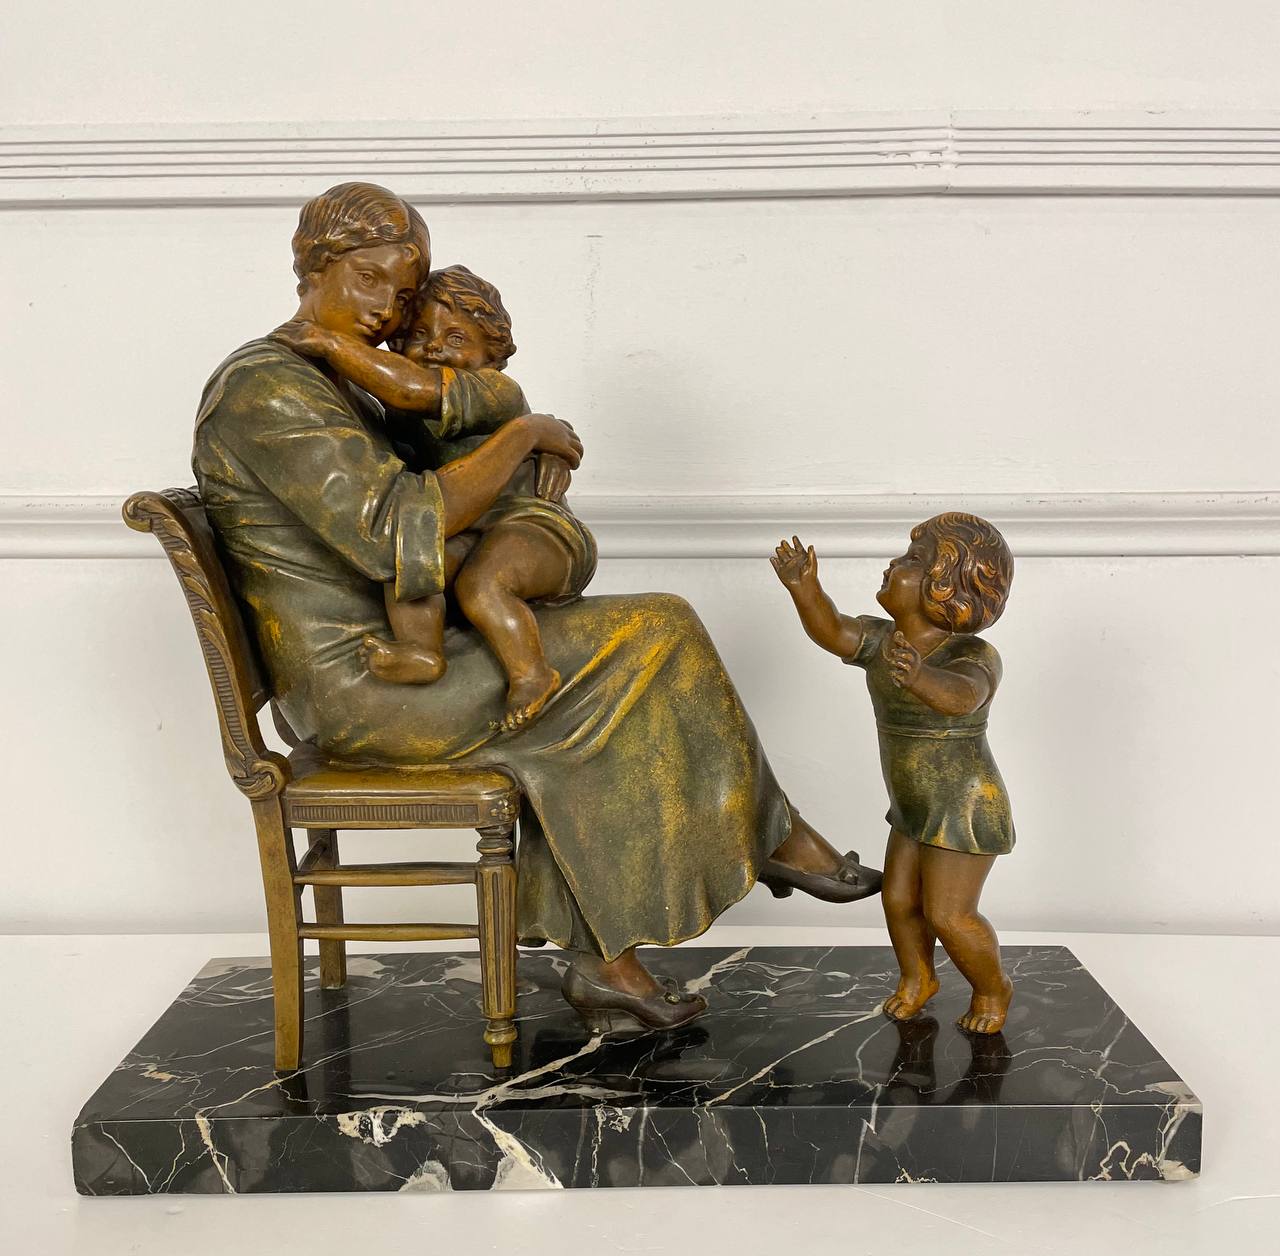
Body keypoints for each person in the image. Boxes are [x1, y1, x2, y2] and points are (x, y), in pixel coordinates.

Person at [193, 182, 881, 1036]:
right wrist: (524, 436)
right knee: (653, 633)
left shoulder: (340, 381)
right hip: (365, 684)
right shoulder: (267, 388)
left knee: (634, 644)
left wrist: (507, 457)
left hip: (412, 647)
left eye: (402, 296)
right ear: (314, 265)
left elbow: (441, 473)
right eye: (368, 280)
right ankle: (756, 845)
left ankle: (622, 955)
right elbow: (394, 530)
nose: (385, 310)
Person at [273, 265, 594, 733]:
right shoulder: (400, 414)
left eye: (456, 338)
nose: (434, 347)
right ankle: (422, 650)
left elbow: (411, 388)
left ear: (492, 353)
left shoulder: (495, 390)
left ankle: (532, 675)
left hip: (535, 527)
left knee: (482, 585)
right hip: (470, 530)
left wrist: (330, 343)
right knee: (414, 561)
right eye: (418, 334)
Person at [771, 513, 1015, 1034]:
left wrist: (921, 677)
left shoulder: (972, 654)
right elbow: (833, 630)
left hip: (964, 806)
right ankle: (918, 978)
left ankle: (993, 989)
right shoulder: (883, 640)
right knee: (899, 900)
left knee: (949, 915)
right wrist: (804, 589)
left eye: (912, 560)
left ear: (944, 584)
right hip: (912, 805)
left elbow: (963, 696)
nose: (894, 564)